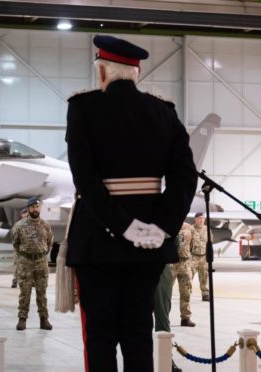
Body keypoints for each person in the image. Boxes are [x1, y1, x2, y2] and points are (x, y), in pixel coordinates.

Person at [65, 35, 197, 371]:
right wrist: (161, 228)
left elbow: (86, 182)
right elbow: (185, 178)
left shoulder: (83, 108)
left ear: (103, 73)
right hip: (149, 248)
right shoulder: (164, 112)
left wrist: (124, 226)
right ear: (136, 73)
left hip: (97, 241)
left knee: (100, 337)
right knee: (139, 333)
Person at [12, 197, 53, 331]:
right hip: (26, 263)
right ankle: (22, 319)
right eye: (33, 207)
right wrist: (27, 255)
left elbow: (49, 242)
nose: (35, 209)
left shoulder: (45, 225)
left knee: (42, 292)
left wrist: (40, 254)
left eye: (37, 207)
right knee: (25, 292)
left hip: (41, 263)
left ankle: (44, 319)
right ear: (28, 209)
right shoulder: (19, 225)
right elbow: (16, 244)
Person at [173, 222, 196, 327]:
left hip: (185, 263)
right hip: (171, 263)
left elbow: (192, 246)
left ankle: (185, 318)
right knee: (165, 293)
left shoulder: (189, 228)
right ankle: (163, 318)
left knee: (186, 291)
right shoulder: (168, 224)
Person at [191, 212, 210, 301]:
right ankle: (187, 293)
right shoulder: (190, 229)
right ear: (195, 219)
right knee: (188, 276)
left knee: (204, 276)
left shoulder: (207, 229)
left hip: (204, 257)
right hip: (192, 257)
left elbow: (209, 243)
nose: (201, 220)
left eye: (203, 218)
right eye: (199, 218)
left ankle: (205, 294)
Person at [10, 208, 28, 288]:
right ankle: (15, 280)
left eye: (26, 214)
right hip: (18, 249)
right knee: (17, 265)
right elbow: (13, 237)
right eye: (24, 214)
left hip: (28, 249)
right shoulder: (17, 225)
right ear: (21, 215)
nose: (25, 215)